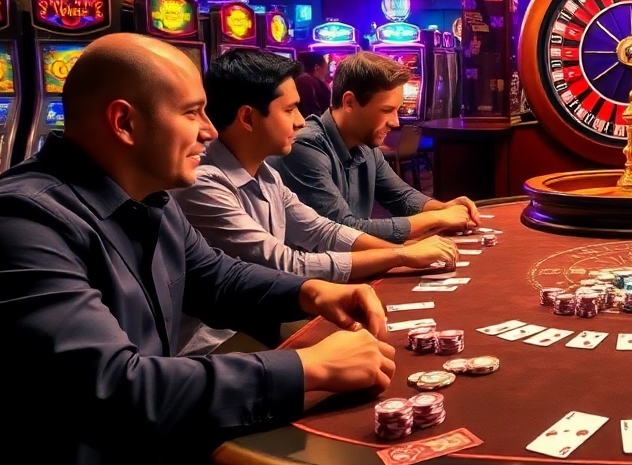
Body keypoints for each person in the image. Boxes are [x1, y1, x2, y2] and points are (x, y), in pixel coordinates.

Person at [0, 34, 395, 465]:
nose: (210, 131)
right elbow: (115, 388)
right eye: (192, 113)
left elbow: (218, 278)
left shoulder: (150, 196)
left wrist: (314, 292)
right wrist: (309, 367)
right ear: (124, 122)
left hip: (147, 457)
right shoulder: (14, 224)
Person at [174, 49, 459, 355]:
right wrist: (400, 254)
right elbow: (285, 264)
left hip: (263, 315)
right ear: (247, 117)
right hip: (214, 342)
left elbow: (323, 230)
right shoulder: (203, 182)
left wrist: (404, 252)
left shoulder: (265, 172)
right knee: (364, 353)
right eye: (290, 110)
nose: (300, 121)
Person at [273, 51, 478, 243]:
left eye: (397, 110)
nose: (396, 122)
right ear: (350, 103)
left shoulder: (365, 144)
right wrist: (436, 218)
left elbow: (401, 197)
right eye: (387, 110)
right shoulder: (305, 146)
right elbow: (343, 231)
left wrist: (445, 208)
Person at [294, 51, 332, 119]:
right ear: (317, 67)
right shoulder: (305, 82)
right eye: (326, 68)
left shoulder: (305, 80)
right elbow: (311, 112)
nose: (327, 72)